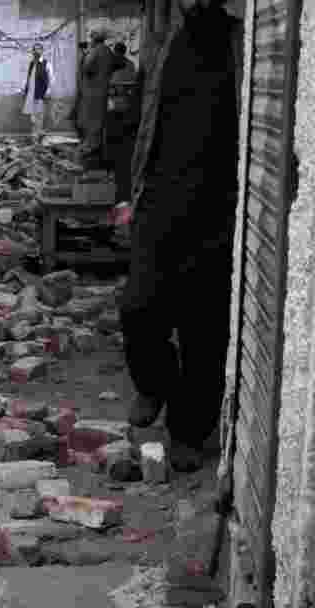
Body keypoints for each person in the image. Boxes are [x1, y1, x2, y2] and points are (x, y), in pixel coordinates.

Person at [119, 0, 244, 472]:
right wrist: (124, 194)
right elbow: (136, 121)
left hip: (219, 209)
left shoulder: (240, 43)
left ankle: (190, 431)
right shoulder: (163, 40)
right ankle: (155, 384)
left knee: (205, 329)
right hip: (159, 200)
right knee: (138, 308)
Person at [105, 42, 141, 202]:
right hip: (125, 106)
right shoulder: (131, 65)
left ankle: (113, 164)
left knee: (116, 139)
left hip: (116, 107)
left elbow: (110, 85)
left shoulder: (114, 65)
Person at [76, 29, 117, 169]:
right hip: (103, 89)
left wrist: (85, 57)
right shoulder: (108, 51)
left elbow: (87, 68)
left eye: (91, 38)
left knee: (92, 120)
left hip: (93, 91)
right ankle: (97, 148)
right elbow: (117, 64)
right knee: (100, 120)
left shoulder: (94, 52)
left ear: (94, 39)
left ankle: (92, 150)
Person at [22, 43, 54, 140]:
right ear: (33, 52)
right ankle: (34, 135)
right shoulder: (32, 63)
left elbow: (51, 78)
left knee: (39, 115)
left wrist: (48, 90)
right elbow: (29, 77)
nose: (36, 52)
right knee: (33, 116)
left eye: (38, 49)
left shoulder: (46, 63)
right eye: (34, 50)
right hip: (31, 93)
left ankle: (37, 136)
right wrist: (25, 89)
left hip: (40, 93)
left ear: (42, 51)